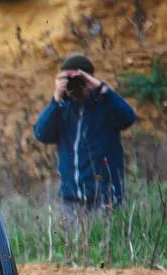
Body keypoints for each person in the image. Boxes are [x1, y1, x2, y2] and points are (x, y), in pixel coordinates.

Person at [32, 53, 137, 215]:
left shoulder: (105, 105)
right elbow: (41, 133)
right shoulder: (62, 110)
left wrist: (102, 89)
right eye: (67, 79)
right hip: (71, 200)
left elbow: (128, 118)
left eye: (78, 80)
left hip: (105, 198)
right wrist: (56, 99)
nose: (74, 85)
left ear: (89, 79)